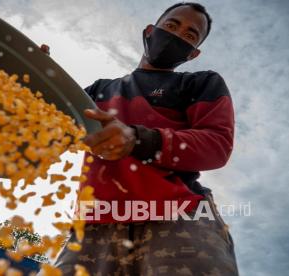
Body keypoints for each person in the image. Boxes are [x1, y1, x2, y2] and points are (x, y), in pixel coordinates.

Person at [38, 2, 239, 276]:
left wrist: (138, 139)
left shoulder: (199, 83)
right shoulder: (98, 91)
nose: (178, 35)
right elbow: (50, 131)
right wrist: (36, 84)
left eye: (190, 35)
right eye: (171, 25)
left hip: (180, 216)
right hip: (95, 224)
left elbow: (217, 145)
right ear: (149, 31)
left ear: (193, 53)